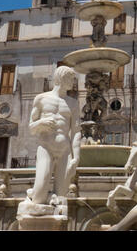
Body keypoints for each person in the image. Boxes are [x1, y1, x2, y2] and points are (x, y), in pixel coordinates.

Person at [28, 66, 81, 205]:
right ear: (61, 78)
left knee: (61, 197)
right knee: (39, 195)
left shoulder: (73, 103)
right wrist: (41, 122)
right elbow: (31, 127)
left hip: (64, 151)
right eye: (70, 78)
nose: (73, 82)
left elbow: (76, 132)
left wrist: (76, 157)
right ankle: (35, 193)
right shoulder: (41, 99)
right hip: (46, 146)